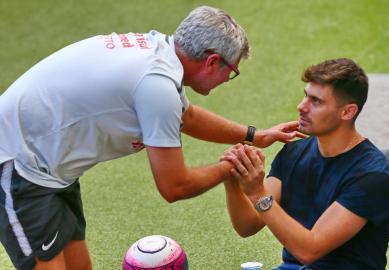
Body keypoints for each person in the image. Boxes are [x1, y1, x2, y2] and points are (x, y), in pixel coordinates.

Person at [0, 6, 302, 270]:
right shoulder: (156, 85)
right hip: (19, 164)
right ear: (212, 62)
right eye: (231, 71)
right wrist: (231, 168)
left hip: (53, 167)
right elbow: (174, 186)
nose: (227, 79)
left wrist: (255, 136)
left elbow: (189, 117)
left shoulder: (161, 55)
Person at [222, 58, 389, 270]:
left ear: (347, 112)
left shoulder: (372, 175)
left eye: (316, 101)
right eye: (306, 95)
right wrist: (233, 179)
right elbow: (248, 225)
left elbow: (310, 250)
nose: (301, 106)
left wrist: (258, 193)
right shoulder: (293, 152)